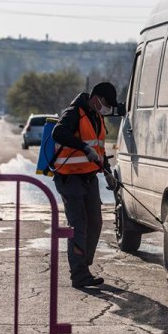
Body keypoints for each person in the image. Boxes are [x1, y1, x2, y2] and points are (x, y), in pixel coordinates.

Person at [51, 82, 118, 288]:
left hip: (89, 177)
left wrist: (107, 171)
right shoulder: (73, 113)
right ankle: (79, 274)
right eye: (106, 103)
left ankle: (83, 265)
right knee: (79, 225)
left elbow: (99, 148)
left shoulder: (97, 117)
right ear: (96, 98)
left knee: (95, 222)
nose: (107, 108)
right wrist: (81, 147)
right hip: (70, 179)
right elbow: (58, 133)